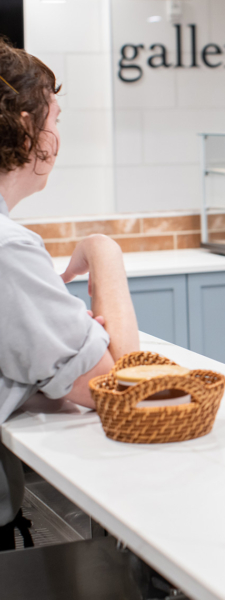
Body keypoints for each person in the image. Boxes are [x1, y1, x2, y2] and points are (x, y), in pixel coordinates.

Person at [0, 40, 140, 548]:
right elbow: (122, 385)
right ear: (23, 127)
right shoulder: (9, 250)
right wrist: (103, 251)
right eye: (54, 120)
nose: (58, 137)